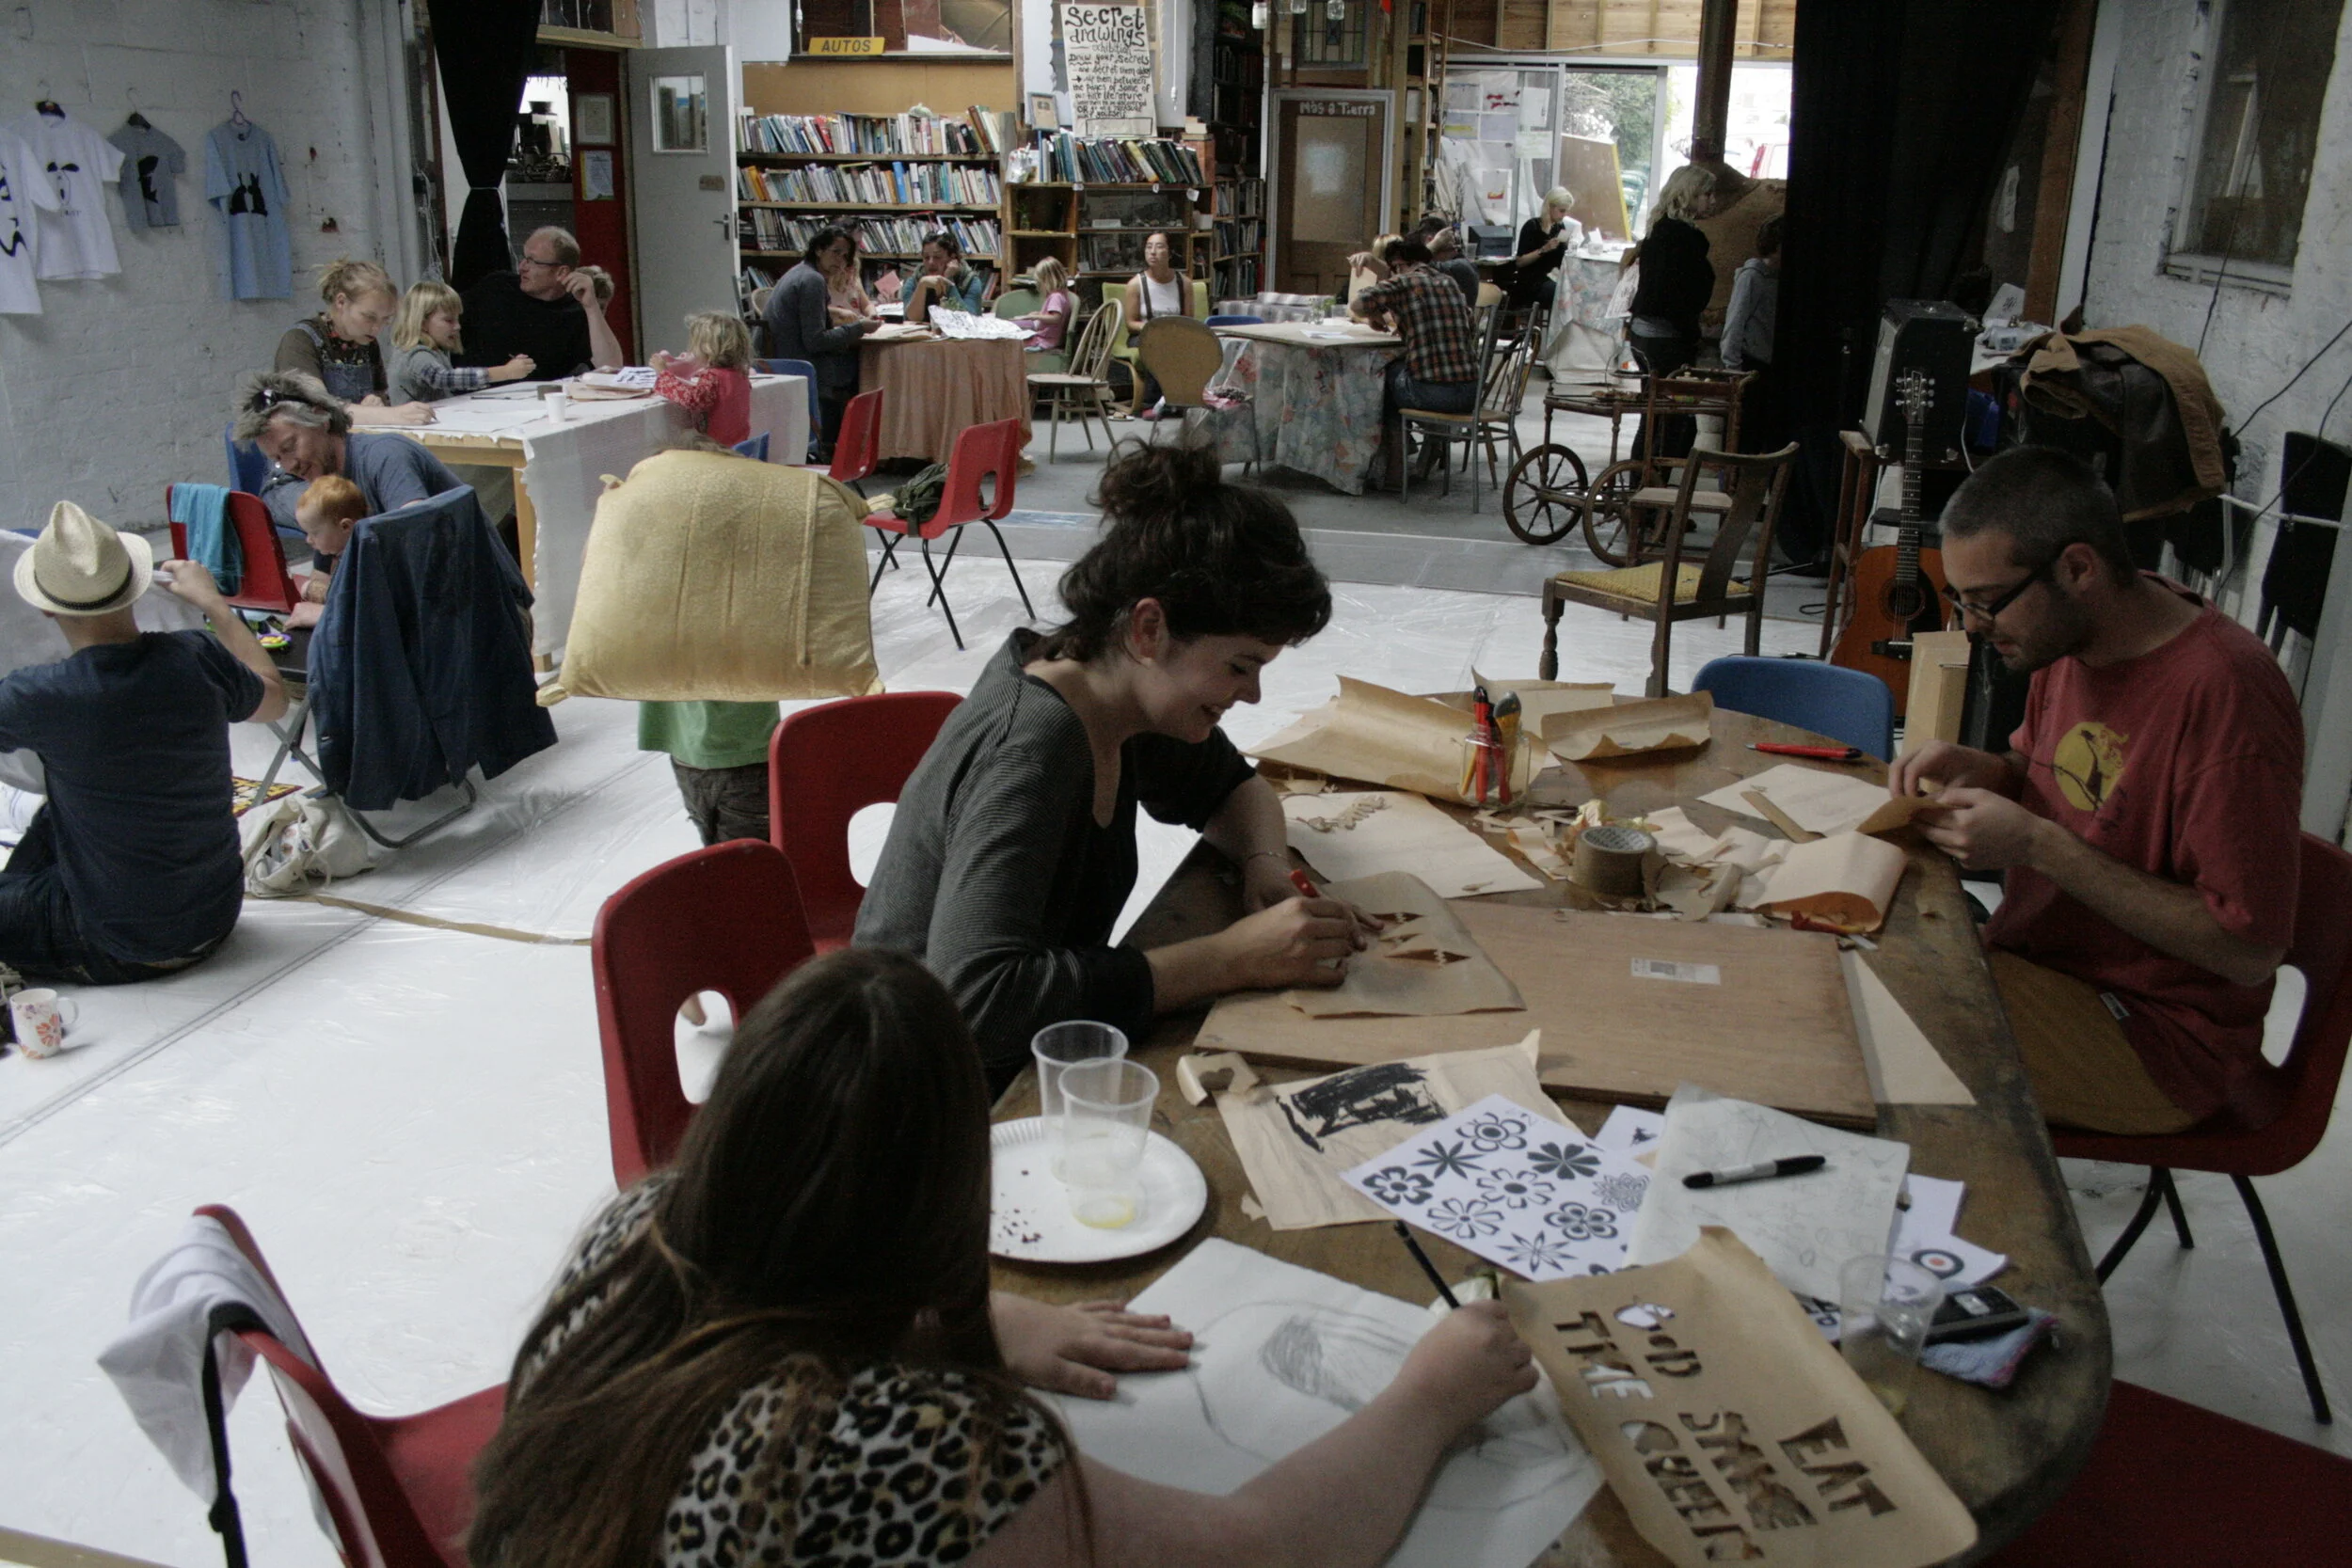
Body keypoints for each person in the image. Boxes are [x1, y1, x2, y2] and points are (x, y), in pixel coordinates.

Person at [467, 946, 1536, 1568]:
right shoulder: (899, 1445)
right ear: (950, 1209)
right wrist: (1431, 1397)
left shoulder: (640, 1228)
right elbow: (1253, 1548)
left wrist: (984, 1321)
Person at [856, 444, 1377, 1092]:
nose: (1251, 694)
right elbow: (977, 1003)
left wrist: (1264, 865)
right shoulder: (1033, 750)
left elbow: (1232, 788)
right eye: (1240, 666)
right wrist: (1229, 959)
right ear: (1149, 628)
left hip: (1018, 1060)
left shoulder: (1118, 692)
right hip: (921, 1087)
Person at [1888, 449, 2303, 1135]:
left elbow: (2249, 951)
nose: (1973, 625)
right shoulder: (2070, 638)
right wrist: (1985, 770)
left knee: (1877, 1054)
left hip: (2158, 1038)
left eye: (1987, 602)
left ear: (2078, 568)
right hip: (2041, 966)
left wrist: (2038, 845)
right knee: (1850, 967)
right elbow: (2049, 778)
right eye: (1962, 601)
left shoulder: (2227, 694)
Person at [0, 501, 288, 984]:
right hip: (215, 913)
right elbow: (275, 700)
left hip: (122, 946)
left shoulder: (39, 695)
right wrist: (214, 605)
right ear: (135, 588)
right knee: (59, 810)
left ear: (45, 606)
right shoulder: (197, 655)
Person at [234, 370, 464, 516]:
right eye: (277, 459)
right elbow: (324, 573)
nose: (289, 466)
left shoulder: (386, 456)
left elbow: (417, 541)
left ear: (321, 418)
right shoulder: (330, 489)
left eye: (289, 447)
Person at [1351, 236, 1482, 490]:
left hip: (1434, 396)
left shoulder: (1404, 281)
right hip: (1470, 394)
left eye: (1393, 268)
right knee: (1408, 372)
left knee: (1385, 378)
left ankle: (1395, 467)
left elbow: (1357, 304)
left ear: (1399, 264)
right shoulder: (1450, 282)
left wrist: (1374, 314)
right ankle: (1432, 444)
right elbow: (1468, 323)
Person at [1623, 164, 1719, 461]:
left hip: (1645, 334)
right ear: (1688, 194)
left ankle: (1642, 478)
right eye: (1706, 194)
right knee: (1672, 420)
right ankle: (1652, 481)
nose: (1712, 201)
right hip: (1665, 340)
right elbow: (1674, 296)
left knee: (1655, 415)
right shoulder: (1681, 238)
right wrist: (1692, 335)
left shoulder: (1660, 229)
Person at [761, 224, 880, 460]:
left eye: (845, 256)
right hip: (799, 362)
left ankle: (835, 443)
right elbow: (815, 341)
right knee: (867, 368)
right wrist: (858, 328)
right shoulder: (812, 281)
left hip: (783, 355)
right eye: (835, 252)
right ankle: (840, 446)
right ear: (818, 250)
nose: (840, 261)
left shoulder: (800, 272)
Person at [272, 259, 432, 428]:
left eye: (385, 319)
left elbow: (381, 394)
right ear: (341, 302)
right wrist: (386, 415)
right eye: (369, 317)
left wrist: (376, 402)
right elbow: (315, 408)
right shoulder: (299, 340)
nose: (377, 328)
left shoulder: (366, 341)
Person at [459, 226, 626, 378]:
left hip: (537, 397)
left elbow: (612, 368)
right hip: (475, 391)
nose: (522, 267)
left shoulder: (576, 311)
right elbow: (448, 321)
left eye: (533, 261)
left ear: (561, 272)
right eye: (524, 258)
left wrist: (591, 307)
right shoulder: (497, 286)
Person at [387, 279, 535, 404]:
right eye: (449, 320)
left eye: (457, 319)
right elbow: (443, 378)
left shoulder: (433, 352)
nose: (457, 326)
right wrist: (505, 372)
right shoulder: (416, 354)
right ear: (422, 323)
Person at [1721, 215, 1785, 458]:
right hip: (1750, 365)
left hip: (1767, 366)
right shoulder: (1752, 277)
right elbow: (1735, 322)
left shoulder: (1774, 278)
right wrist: (1733, 368)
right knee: (1743, 436)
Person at [651, 310, 755, 450]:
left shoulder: (713, 377)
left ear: (707, 348)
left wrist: (663, 374)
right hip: (739, 443)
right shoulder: (740, 374)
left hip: (717, 448)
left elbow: (692, 399)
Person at [1120, 231, 1196, 420]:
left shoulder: (1184, 284)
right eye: (1148, 247)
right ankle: (1151, 403)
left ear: (1170, 253)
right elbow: (1130, 323)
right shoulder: (1136, 284)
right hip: (1143, 336)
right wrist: (1153, 328)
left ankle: (1184, 399)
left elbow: (1189, 320)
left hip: (1175, 335)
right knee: (1157, 344)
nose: (1152, 252)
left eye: (1159, 246)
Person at [285, 474, 368, 629]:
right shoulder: (348, 555)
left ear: (345, 526)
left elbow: (355, 610)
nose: (308, 540)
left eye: (314, 533)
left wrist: (310, 591)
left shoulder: (363, 561)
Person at [1505, 187, 1580, 310]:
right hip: (1531, 281)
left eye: (1566, 211)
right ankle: (1554, 321)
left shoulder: (1559, 227)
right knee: (1557, 291)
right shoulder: (1532, 226)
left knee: (1573, 288)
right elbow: (1520, 262)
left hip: (1550, 277)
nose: (1564, 215)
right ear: (1550, 207)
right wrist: (1543, 249)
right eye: (1562, 211)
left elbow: (1560, 260)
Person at [905, 230, 990, 323]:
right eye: (926, 257)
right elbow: (911, 319)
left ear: (952, 258)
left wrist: (949, 281)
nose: (931, 262)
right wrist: (922, 286)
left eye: (937, 257)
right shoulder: (916, 280)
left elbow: (967, 321)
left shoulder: (970, 281)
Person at [1421, 220, 1484, 309]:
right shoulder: (1460, 263)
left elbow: (1418, 265)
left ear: (1430, 240)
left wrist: (1432, 247)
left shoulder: (1457, 266)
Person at [1018, 256, 1074, 356]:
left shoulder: (1056, 297)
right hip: (1049, 338)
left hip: (1045, 340)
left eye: (1040, 283)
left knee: (1013, 344)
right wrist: (1039, 313)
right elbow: (1053, 314)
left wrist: (1035, 317)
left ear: (1048, 280)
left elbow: (1056, 318)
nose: (1040, 286)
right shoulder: (1061, 294)